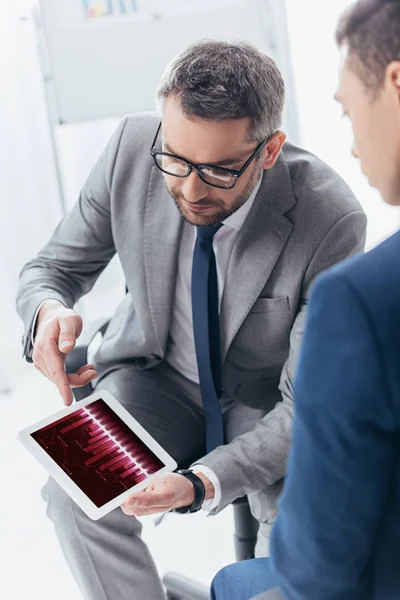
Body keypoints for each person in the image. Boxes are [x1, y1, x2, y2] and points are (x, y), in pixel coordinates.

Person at [16, 40, 366, 600]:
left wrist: (200, 483)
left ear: (270, 150)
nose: (190, 187)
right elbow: (53, 267)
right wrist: (47, 311)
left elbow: (308, 403)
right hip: (153, 380)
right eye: (176, 160)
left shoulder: (330, 219)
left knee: (292, 569)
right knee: (73, 494)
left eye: (220, 170)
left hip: (267, 405)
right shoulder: (134, 147)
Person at [211, 2, 400, 599]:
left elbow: (319, 567)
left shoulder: (363, 300)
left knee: (233, 584)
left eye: (349, 110)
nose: (350, 145)